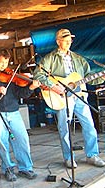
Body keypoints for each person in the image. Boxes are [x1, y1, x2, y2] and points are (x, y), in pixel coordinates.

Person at [33, 28, 105, 168]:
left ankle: (92, 155)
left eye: (69, 39)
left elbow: (87, 79)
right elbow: (38, 75)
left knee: (89, 125)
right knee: (64, 128)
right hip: (62, 97)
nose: (68, 42)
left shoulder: (78, 59)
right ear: (58, 41)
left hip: (79, 95)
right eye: (65, 39)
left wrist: (101, 78)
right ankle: (68, 157)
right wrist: (53, 86)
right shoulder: (50, 58)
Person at [0, 49, 40, 181]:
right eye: (1, 62)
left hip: (13, 111)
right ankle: (8, 168)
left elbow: (20, 93)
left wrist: (31, 88)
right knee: (2, 141)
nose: (3, 65)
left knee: (22, 139)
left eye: (6, 62)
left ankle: (25, 168)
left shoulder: (12, 75)